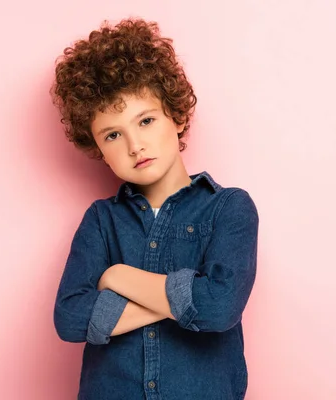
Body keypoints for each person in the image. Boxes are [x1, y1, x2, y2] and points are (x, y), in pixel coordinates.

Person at [50, 17, 259, 400]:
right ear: (98, 149)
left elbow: (219, 307)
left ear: (176, 117)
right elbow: (70, 317)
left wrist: (117, 276)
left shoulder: (229, 208)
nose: (135, 145)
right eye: (113, 134)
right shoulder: (101, 220)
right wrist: (187, 298)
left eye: (145, 121)